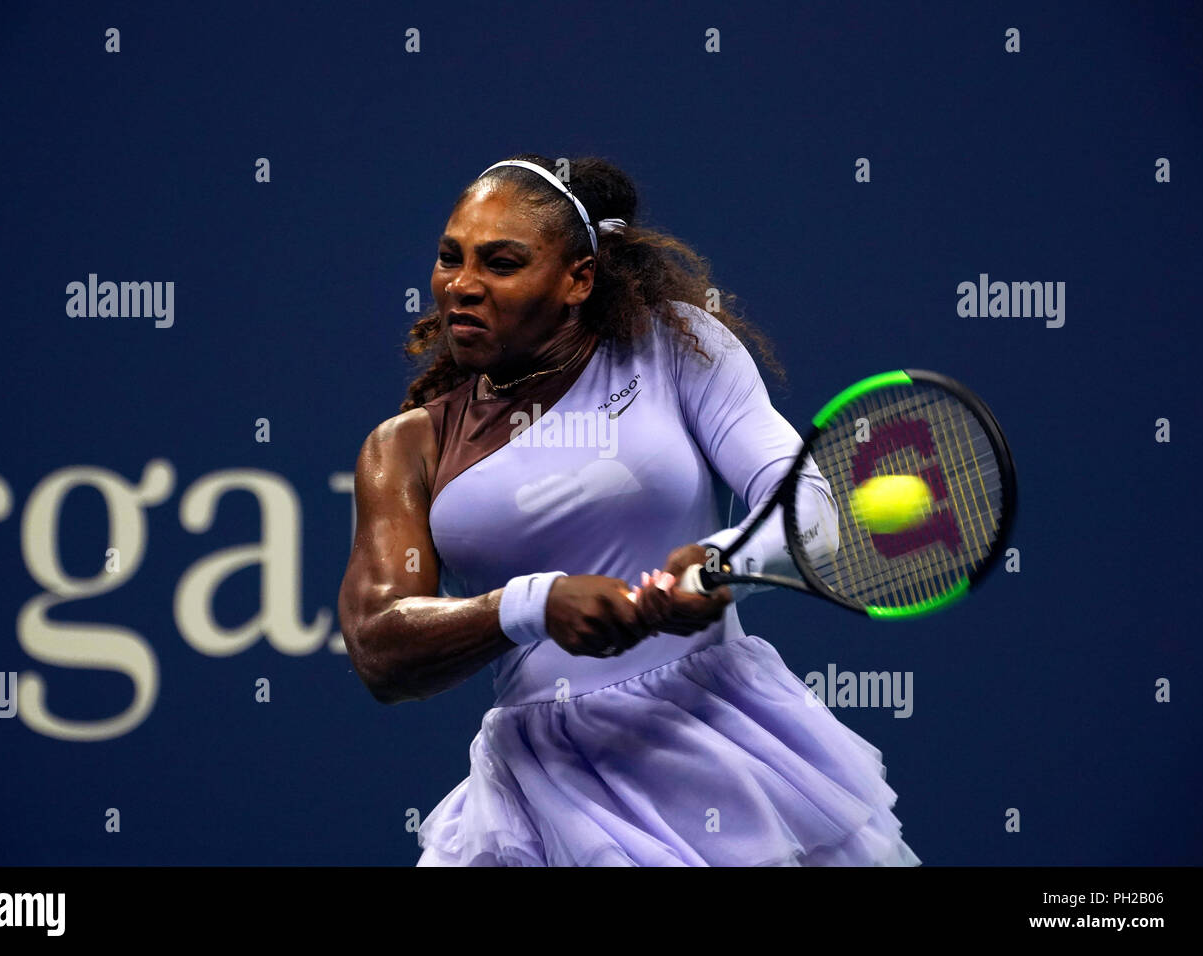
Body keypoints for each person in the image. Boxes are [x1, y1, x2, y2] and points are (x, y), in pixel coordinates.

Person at [338, 153, 921, 867]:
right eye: (449, 258)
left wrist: (721, 564)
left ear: (577, 279)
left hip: (720, 748)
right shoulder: (405, 448)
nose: (462, 286)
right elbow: (378, 646)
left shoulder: (675, 345)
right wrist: (535, 604)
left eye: (501, 263)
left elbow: (811, 510)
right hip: (539, 798)